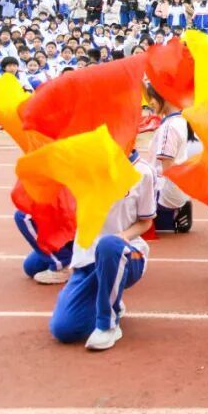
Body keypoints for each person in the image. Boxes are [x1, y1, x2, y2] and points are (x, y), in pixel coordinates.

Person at [48, 150, 154, 351]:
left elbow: (145, 222)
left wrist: (122, 236)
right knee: (63, 330)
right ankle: (108, 298)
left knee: (109, 245)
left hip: (127, 255)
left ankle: (108, 325)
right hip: (88, 258)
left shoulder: (143, 171)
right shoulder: (84, 166)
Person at [145, 84, 195, 233]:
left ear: (165, 97)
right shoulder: (181, 120)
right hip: (178, 189)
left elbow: (168, 168)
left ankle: (173, 212)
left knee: (122, 209)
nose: (150, 102)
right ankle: (174, 211)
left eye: (153, 98)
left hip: (166, 192)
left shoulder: (169, 127)